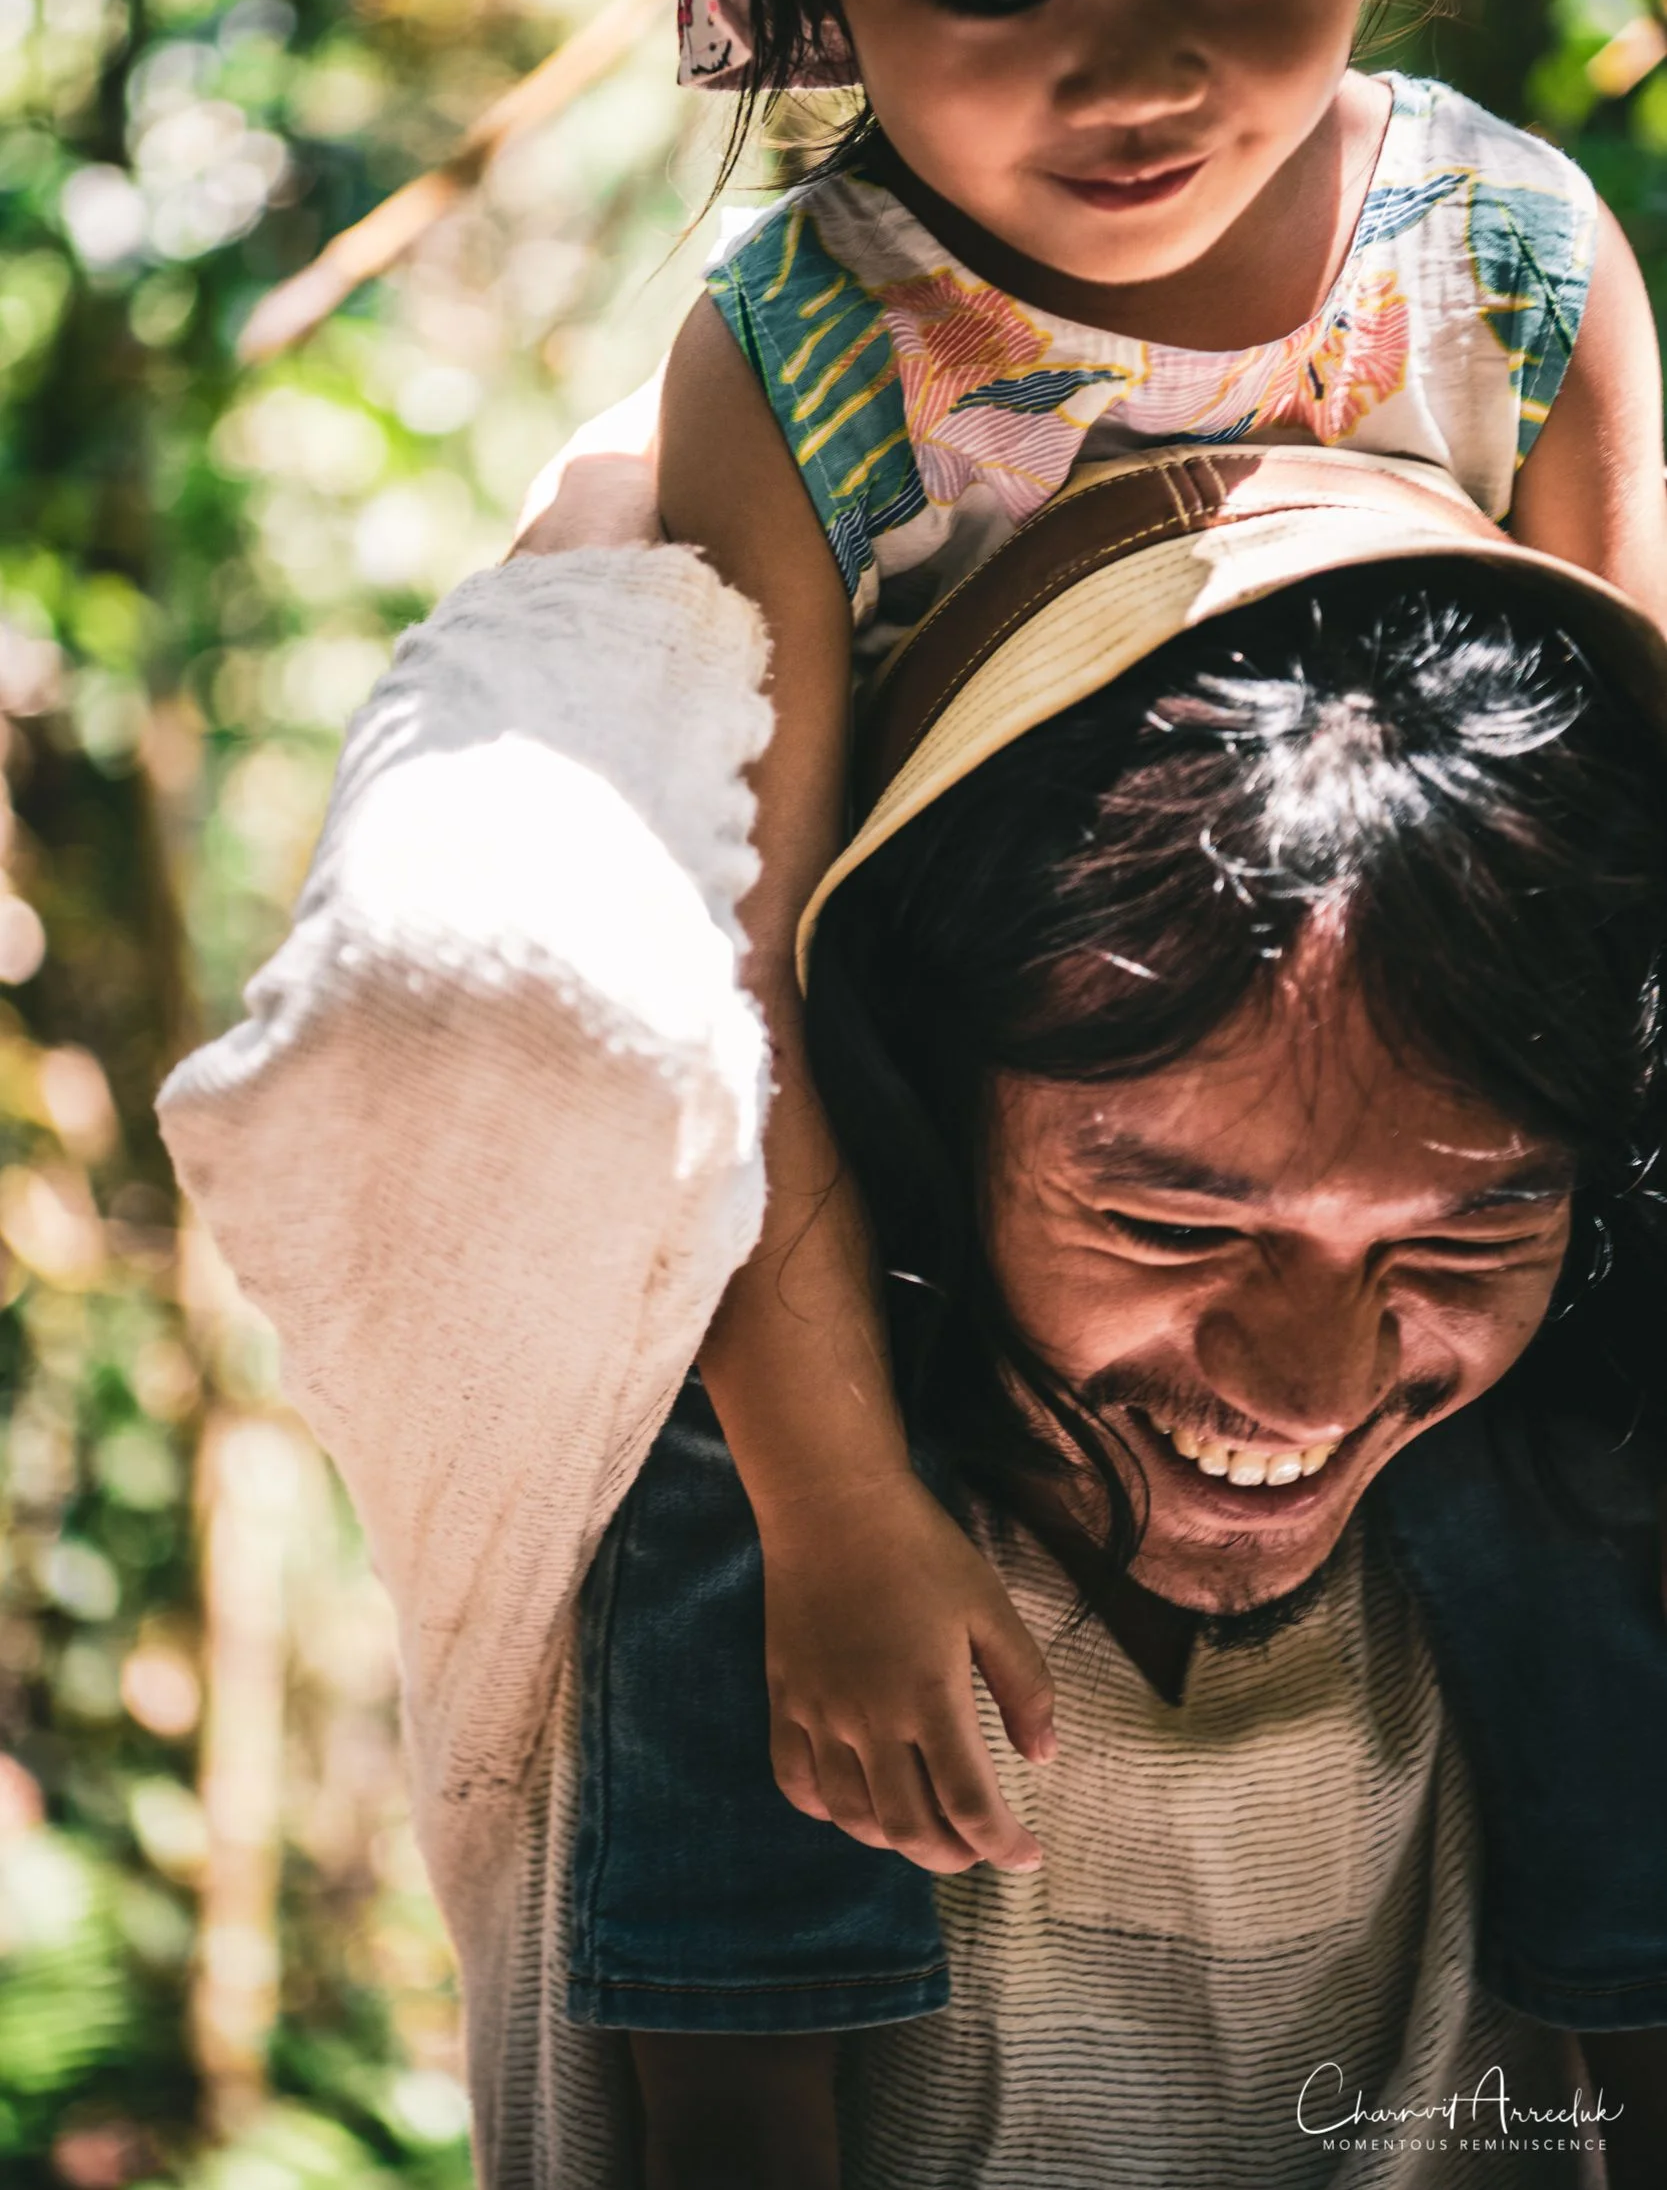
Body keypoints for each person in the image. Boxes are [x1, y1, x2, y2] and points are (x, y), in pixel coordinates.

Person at [510, 0, 1667, 2168]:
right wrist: (835, 1506)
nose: (1138, 74)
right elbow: (729, 946)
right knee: (702, 1522)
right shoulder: (800, 339)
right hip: (942, 1100)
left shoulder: (1509, 257)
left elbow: (1621, 804)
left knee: (1598, 1482)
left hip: (1448, 1052)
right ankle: (735, 2076)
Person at [161, 448, 1667, 2185]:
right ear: (916, 1097)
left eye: (1467, 1234)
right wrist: (798, 433)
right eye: (1173, 1219)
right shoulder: (631, 1451)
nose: (1312, 1385)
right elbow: (467, 994)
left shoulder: (1572, 1491)